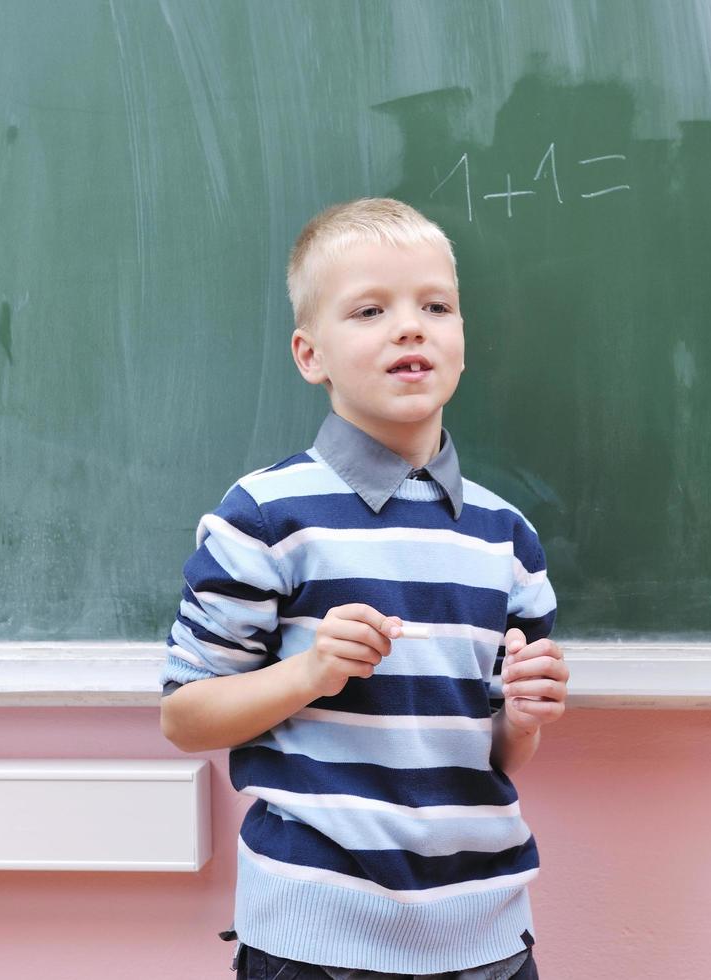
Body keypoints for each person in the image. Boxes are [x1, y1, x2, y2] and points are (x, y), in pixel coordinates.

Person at [159, 197, 567, 979]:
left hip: (484, 934)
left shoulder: (506, 536)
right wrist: (311, 670)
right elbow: (185, 716)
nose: (410, 327)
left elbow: (497, 755)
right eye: (370, 309)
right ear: (311, 356)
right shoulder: (266, 517)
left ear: (461, 343)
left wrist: (523, 715)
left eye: (435, 306)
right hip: (316, 936)